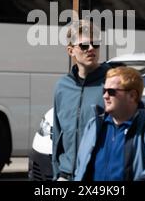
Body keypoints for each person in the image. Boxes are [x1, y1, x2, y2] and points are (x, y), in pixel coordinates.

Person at [74, 66, 145, 181]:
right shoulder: (94, 125)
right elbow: (79, 168)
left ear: (132, 96)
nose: (105, 96)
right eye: (104, 91)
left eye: (111, 92)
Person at [52, 20, 112, 181]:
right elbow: (57, 134)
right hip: (66, 175)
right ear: (71, 51)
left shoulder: (112, 83)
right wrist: (58, 174)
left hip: (98, 176)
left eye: (95, 44)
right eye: (84, 45)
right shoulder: (62, 87)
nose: (91, 48)